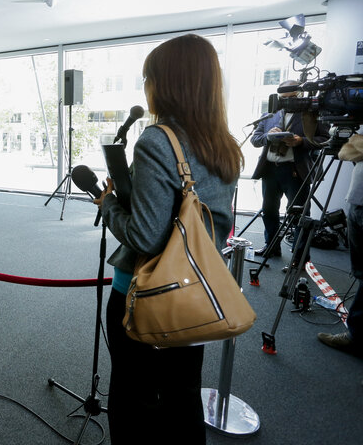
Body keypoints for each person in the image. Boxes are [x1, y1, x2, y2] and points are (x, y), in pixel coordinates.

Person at [94, 34, 243, 443]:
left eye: (149, 77)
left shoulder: (158, 140)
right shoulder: (224, 144)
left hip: (146, 294)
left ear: (168, 82)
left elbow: (144, 235)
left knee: (133, 400)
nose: (147, 86)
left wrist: (108, 204)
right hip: (198, 292)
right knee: (181, 398)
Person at [250, 80, 330, 258]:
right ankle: (271, 247)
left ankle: (300, 256)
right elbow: (255, 140)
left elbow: (325, 139)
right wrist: (268, 137)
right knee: (268, 211)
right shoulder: (269, 114)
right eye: (283, 98)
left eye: (292, 98)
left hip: (295, 171)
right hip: (270, 170)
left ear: (300, 95)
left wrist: (301, 141)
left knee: (299, 215)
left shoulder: (313, 115)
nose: (287, 102)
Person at [317, 133, 363, 356]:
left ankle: (355, 335)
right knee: (362, 274)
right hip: (357, 203)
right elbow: (345, 152)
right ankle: (356, 335)